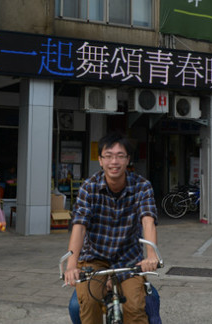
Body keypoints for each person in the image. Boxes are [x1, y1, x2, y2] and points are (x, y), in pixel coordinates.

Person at [64, 132, 159, 324]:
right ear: (100, 160)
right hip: (93, 260)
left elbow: (147, 220)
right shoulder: (88, 188)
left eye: (120, 155)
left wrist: (151, 255)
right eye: (108, 156)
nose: (114, 161)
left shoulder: (142, 186)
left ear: (128, 159)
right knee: (88, 305)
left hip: (129, 260)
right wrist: (71, 264)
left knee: (135, 309)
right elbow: (80, 225)